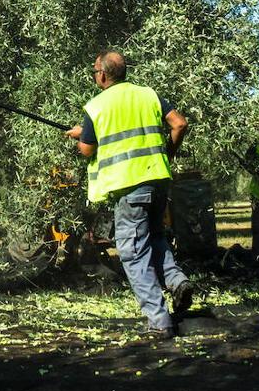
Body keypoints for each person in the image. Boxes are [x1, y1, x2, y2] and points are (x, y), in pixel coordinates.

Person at [66, 50, 195, 339]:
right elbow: (180, 123)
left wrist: (81, 135)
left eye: (94, 72)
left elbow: (87, 150)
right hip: (158, 180)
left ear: (102, 74)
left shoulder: (96, 106)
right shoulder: (148, 94)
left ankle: (159, 322)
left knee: (132, 253)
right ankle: (177, 281)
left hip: (130, 188)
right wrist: (167, 154)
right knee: (155, 238)